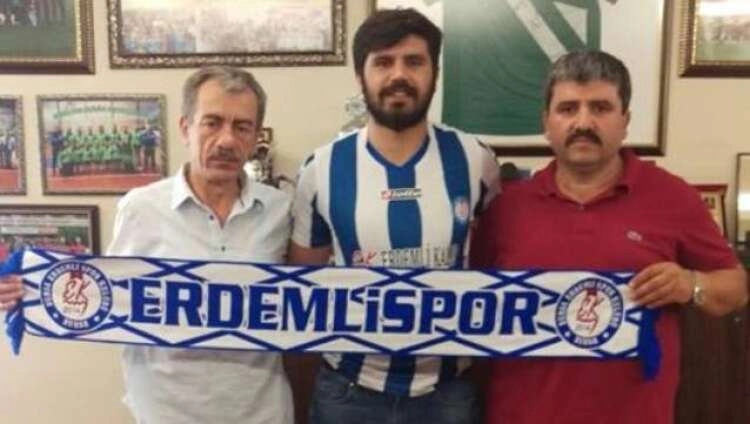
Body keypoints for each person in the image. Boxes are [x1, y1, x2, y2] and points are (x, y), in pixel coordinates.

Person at [0, 66, 295, 424]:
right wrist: (29, 288)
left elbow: (310, 303)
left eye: (242, 127)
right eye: (212, 123)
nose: (226, 140)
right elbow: (106, 297)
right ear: (185, 128)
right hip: (166, 411)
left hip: (261, 411)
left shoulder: (280, 210)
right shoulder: (141, 208)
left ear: (256, 137)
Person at [470, 50, 748, 424]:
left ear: (625, 120)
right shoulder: (506, 207)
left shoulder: (673, 197)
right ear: (546, 122)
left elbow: (735, 288)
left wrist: (690, 284)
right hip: (519, 413)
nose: (583, 122)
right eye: (568, 109)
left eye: (600, 108)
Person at [288, 8, 500, 424]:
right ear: (360, 76)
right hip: (348, 391)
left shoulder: (476, 160)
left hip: (448, 392)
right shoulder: (321, 168)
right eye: (383, 62)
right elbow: (303, 282)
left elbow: (497, 257)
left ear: (434, 73)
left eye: (414, 62)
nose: (399, 75)